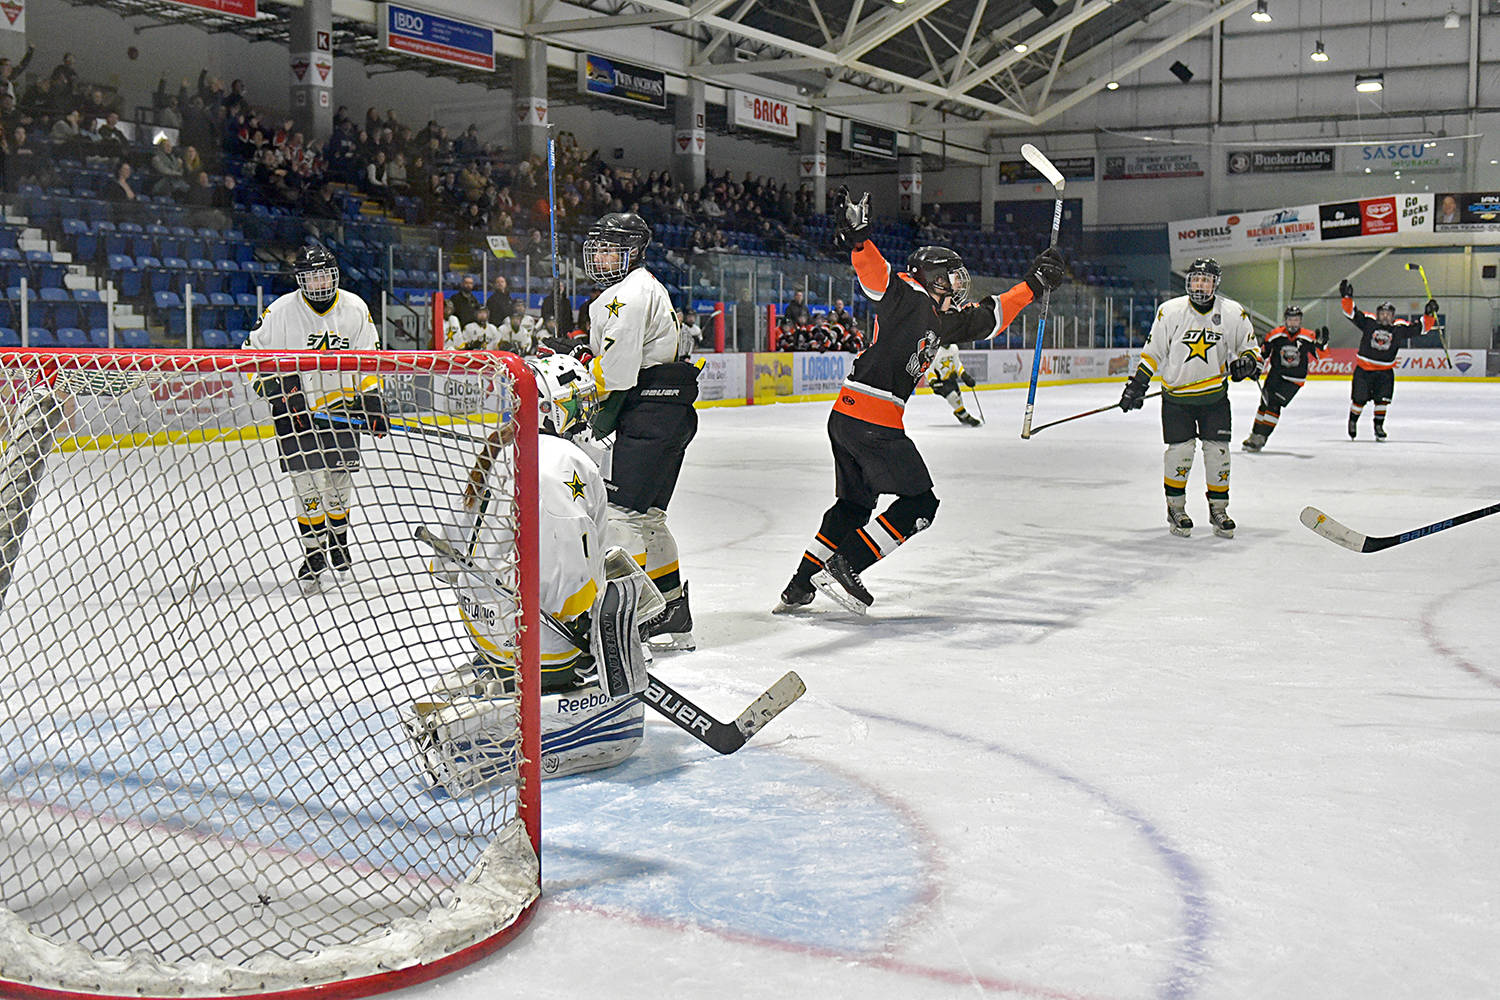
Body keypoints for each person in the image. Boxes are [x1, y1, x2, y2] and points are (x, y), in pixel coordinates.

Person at [777, 186, 1066, 613]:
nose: (958, 283)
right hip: (872, 420)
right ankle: (846, 564)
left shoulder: (941, 318)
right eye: (951, 276)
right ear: (930, 276)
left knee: (854, 506)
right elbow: (877, 278)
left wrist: (1033, 284)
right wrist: (859, 239)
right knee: (921, 503)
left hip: (850, 416)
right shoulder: (908, 295)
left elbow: (991, 316)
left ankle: (800, 585)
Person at [414, 355, 651, 785]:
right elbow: (565, 564)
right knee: (618, 590)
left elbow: (446, 560)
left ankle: (505, 668)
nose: (587, 412)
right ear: (551, 407)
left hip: (485, 625)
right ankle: (550, 691)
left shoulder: (504, 444)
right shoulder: (560, 459)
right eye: (577, 403)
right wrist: (585, 636)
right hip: (537, 640)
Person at [582, 212, 701, 650]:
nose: (600, 255)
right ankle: (671, 611)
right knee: (649, 518)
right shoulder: (644, 286)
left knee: (623, 516)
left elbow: (617, 373)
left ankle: (627, 622)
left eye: (609, 247)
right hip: (669, 413)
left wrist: (597, 416)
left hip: (647, 413)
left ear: (632, 250)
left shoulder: (627, 295)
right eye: (597, 247)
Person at [247, 245, 387, 591]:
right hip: (296, 411)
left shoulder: (355, 308)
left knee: (339, 481)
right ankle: (313, 551)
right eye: (312, 275)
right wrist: (277, 392)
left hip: (342, 406)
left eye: (325, 273)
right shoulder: (280, 311)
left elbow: (369, 357)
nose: (320, 281)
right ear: (301, 279)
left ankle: (338, 540)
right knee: (306, 484)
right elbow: (251, 353)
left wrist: (372, 400)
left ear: (335, 275)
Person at [1119, 257, 1259, 538]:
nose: (1200, 285)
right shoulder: (1170, 311)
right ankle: (1176, 508)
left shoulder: (1232, 312)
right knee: (1180, 454)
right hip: (1177, 400)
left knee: (1219, 453)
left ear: (1215, 284)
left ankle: (1219, 509)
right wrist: (1138, 385)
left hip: (1214, 399)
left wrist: (1247, 363)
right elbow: (1153, 352)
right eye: (1196, 279)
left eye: (1205, 280)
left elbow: (1250, 349)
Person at [1339, 279, 1439, 440]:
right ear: (1378, 314)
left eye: (1388, 314)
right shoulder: (1369, 322)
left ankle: (1378, 427)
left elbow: (1422, 329)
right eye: (1382, 314)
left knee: (1382, 401)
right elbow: (1351, 313)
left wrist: (1428, 314)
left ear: (1393, 316)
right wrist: (1346, 297)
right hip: (1364, 371)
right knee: (1359, 400)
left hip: (1385, 373)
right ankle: (1353, 421)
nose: (1385, 317)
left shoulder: (1398, 328)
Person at [1242, 306, 1328, 452]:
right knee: (1264, 405)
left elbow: (1321, 356)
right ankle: (1254, 435)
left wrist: (1323, 345)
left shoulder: (1308, 336)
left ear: (1300, 321)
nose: (1293, 323)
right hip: (1275, 375)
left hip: (1294, 379)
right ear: (1285, 320)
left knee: (1274, 404)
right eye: (1290, 319)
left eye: (1296, 320)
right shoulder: (1275, 335)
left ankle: (1262, 437)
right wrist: (1255, 367)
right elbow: (1263, 353)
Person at [925, 344, 982, 427]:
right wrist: (933, 380)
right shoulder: (935, 351)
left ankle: (960, 413)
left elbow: (957, 363)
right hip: (940, 380)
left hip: (951, 379)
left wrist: (964, 375)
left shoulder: (954, 348)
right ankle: (965, 416)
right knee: (952, 396)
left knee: (958, 397)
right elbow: (930, 368)